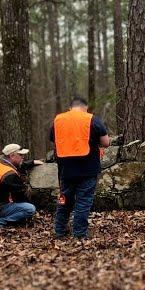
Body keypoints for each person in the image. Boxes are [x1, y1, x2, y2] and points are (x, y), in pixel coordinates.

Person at [49, 96, 110, 240]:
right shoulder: (91, 119)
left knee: (64, 199)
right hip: (87, 168)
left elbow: (54, 139)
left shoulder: (58, 120)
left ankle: (59, 231)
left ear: (70, 108)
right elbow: (106, 142)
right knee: (83, 201)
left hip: (65, 169)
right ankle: (80, 234)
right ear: (85, 107)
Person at [0, 144, 42, 229]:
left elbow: (18, 166)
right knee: (30, 209)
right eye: (20, 155)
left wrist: (32, 162)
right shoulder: (10, 175)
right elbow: (20, 197)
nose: (23, 157)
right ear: (12, 156)